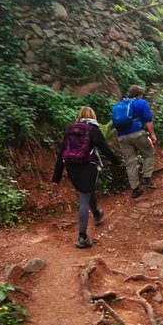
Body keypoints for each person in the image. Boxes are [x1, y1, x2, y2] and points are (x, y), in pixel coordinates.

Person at [53, 106, 121, 249]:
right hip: (88, 165)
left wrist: (56, 177)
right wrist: (117, 162)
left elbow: (61, 153)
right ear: (93, 116)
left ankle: (96, 214)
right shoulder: (94, 130)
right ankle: (82, 237)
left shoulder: (70, 129)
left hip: (72, 167)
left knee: (87, 191)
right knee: (84, 198)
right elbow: (104, 149)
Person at [114, 85, 157, 198]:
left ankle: (135, 190)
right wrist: (152, 135)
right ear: (140, 94)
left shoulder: (120, 105)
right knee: (149, 153)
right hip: (137, 133)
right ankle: (146, 178)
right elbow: (148, 120)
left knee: (130, 162)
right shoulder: (141, 103)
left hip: (122, 136)